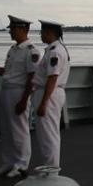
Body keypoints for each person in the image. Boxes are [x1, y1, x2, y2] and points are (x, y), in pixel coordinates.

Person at [0, 15, 40, 178]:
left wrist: (24, 100)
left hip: (19, 92)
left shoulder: (31, 51)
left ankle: (21, 164)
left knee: (19, 130)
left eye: (13, 29)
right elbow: (7, 72)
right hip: (6, 90)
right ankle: (8, 162)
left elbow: (32, 77)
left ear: (23, 29)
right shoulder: (13, 49)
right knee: (7, 129)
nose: (10, 32)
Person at [32, 20, 70, 168]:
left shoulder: (54, 51)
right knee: (47, 133)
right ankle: (50, 166)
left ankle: (51, 168)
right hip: (51, 93)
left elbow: (52, 77)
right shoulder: (56, 49)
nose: (41, 35)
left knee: (48, 134)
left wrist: (44, 102)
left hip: (49, 94)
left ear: (49, 33)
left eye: (42, 32)